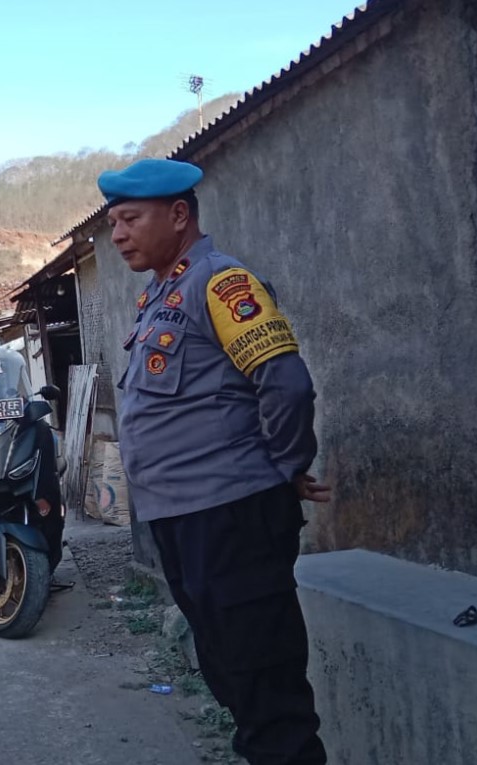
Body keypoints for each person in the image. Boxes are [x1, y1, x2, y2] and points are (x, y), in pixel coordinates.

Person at [102, 158, 332, 765]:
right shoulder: (159, 294)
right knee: (232, 675)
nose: (118, 234)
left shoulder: (220, 283)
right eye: (113, 222)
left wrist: (285, 467)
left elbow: (285, 382)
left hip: (231, 516)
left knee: (266, 687)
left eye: (129, 219)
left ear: (179, 215)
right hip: (185, 519)